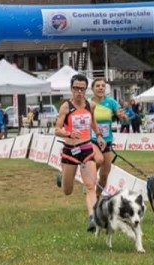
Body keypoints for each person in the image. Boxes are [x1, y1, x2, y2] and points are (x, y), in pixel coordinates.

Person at [54, 74, 106, 233]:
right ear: (71, 89)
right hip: (70, 151)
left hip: (86, 149)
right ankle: (62, 177)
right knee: (67, 191)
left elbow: (93, 122)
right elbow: (56, 129)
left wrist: (98, 135)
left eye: (82, 89)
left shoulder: (90, 105)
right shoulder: (65, 107)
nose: (79, 92)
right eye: (76, 88)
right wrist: (68, 134)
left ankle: (92, 217)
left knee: (90, 186)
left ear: (85, 89)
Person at [89, 77, 127, 196]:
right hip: (92, 139)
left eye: (103, 86)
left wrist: (123, 116)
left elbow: (124, 118)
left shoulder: (111, 102)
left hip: (107, 141)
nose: (101, 88)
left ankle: (97, 196)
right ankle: (88, 181)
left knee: (105, 175)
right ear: (92, 89)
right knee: (98, 159)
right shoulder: (89, 103)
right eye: (98, 86)